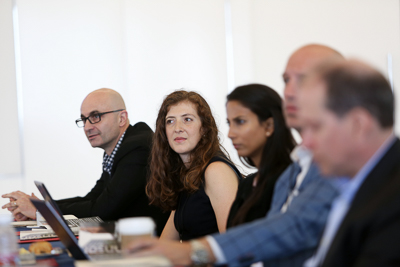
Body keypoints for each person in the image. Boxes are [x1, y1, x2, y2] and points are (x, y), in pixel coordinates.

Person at [125, 44, 344, 266]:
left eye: (240, 122)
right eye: (287, 80)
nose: (232, 133)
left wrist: (194, 252)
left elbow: (289, 230)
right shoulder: (296, 167)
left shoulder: (333, 164)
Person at [2, 88, 169, 235]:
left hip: (148, 248)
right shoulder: (118, 148)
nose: (87, 127)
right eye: (84, 119)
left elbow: (101, 210)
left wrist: (41, 210)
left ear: (122, 118)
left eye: (96, 116)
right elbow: (92, 198)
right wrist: (40, 205)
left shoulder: (137, 148)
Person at [300, 60, 400, 266]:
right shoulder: (355, 183)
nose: (305, 143)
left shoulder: (394, 200)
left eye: (315, 127)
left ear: (359, 125)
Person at [146, 90, 241, 241]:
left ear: (204, 128)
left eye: (187, 119)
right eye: (170, 121)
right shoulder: (186, 174)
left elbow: (233, 246)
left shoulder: (216, 171)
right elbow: (166, 244)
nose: (177, 128)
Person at [226, 84, 296, 228]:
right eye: (229, 123)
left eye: (240, 122)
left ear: (269, 126)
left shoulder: (289, 178)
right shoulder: (248, 184)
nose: (230, 133)